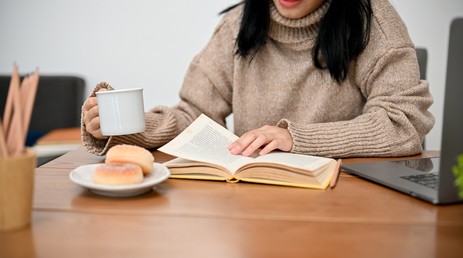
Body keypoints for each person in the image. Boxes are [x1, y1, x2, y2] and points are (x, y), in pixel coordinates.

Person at [82, 0, 434, 158]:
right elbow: (194, 116)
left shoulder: (374, 21)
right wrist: (128, 127)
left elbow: (404, 121)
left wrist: (295, 139)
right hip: (252, 202)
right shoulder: (236, 26)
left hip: (345, 202)